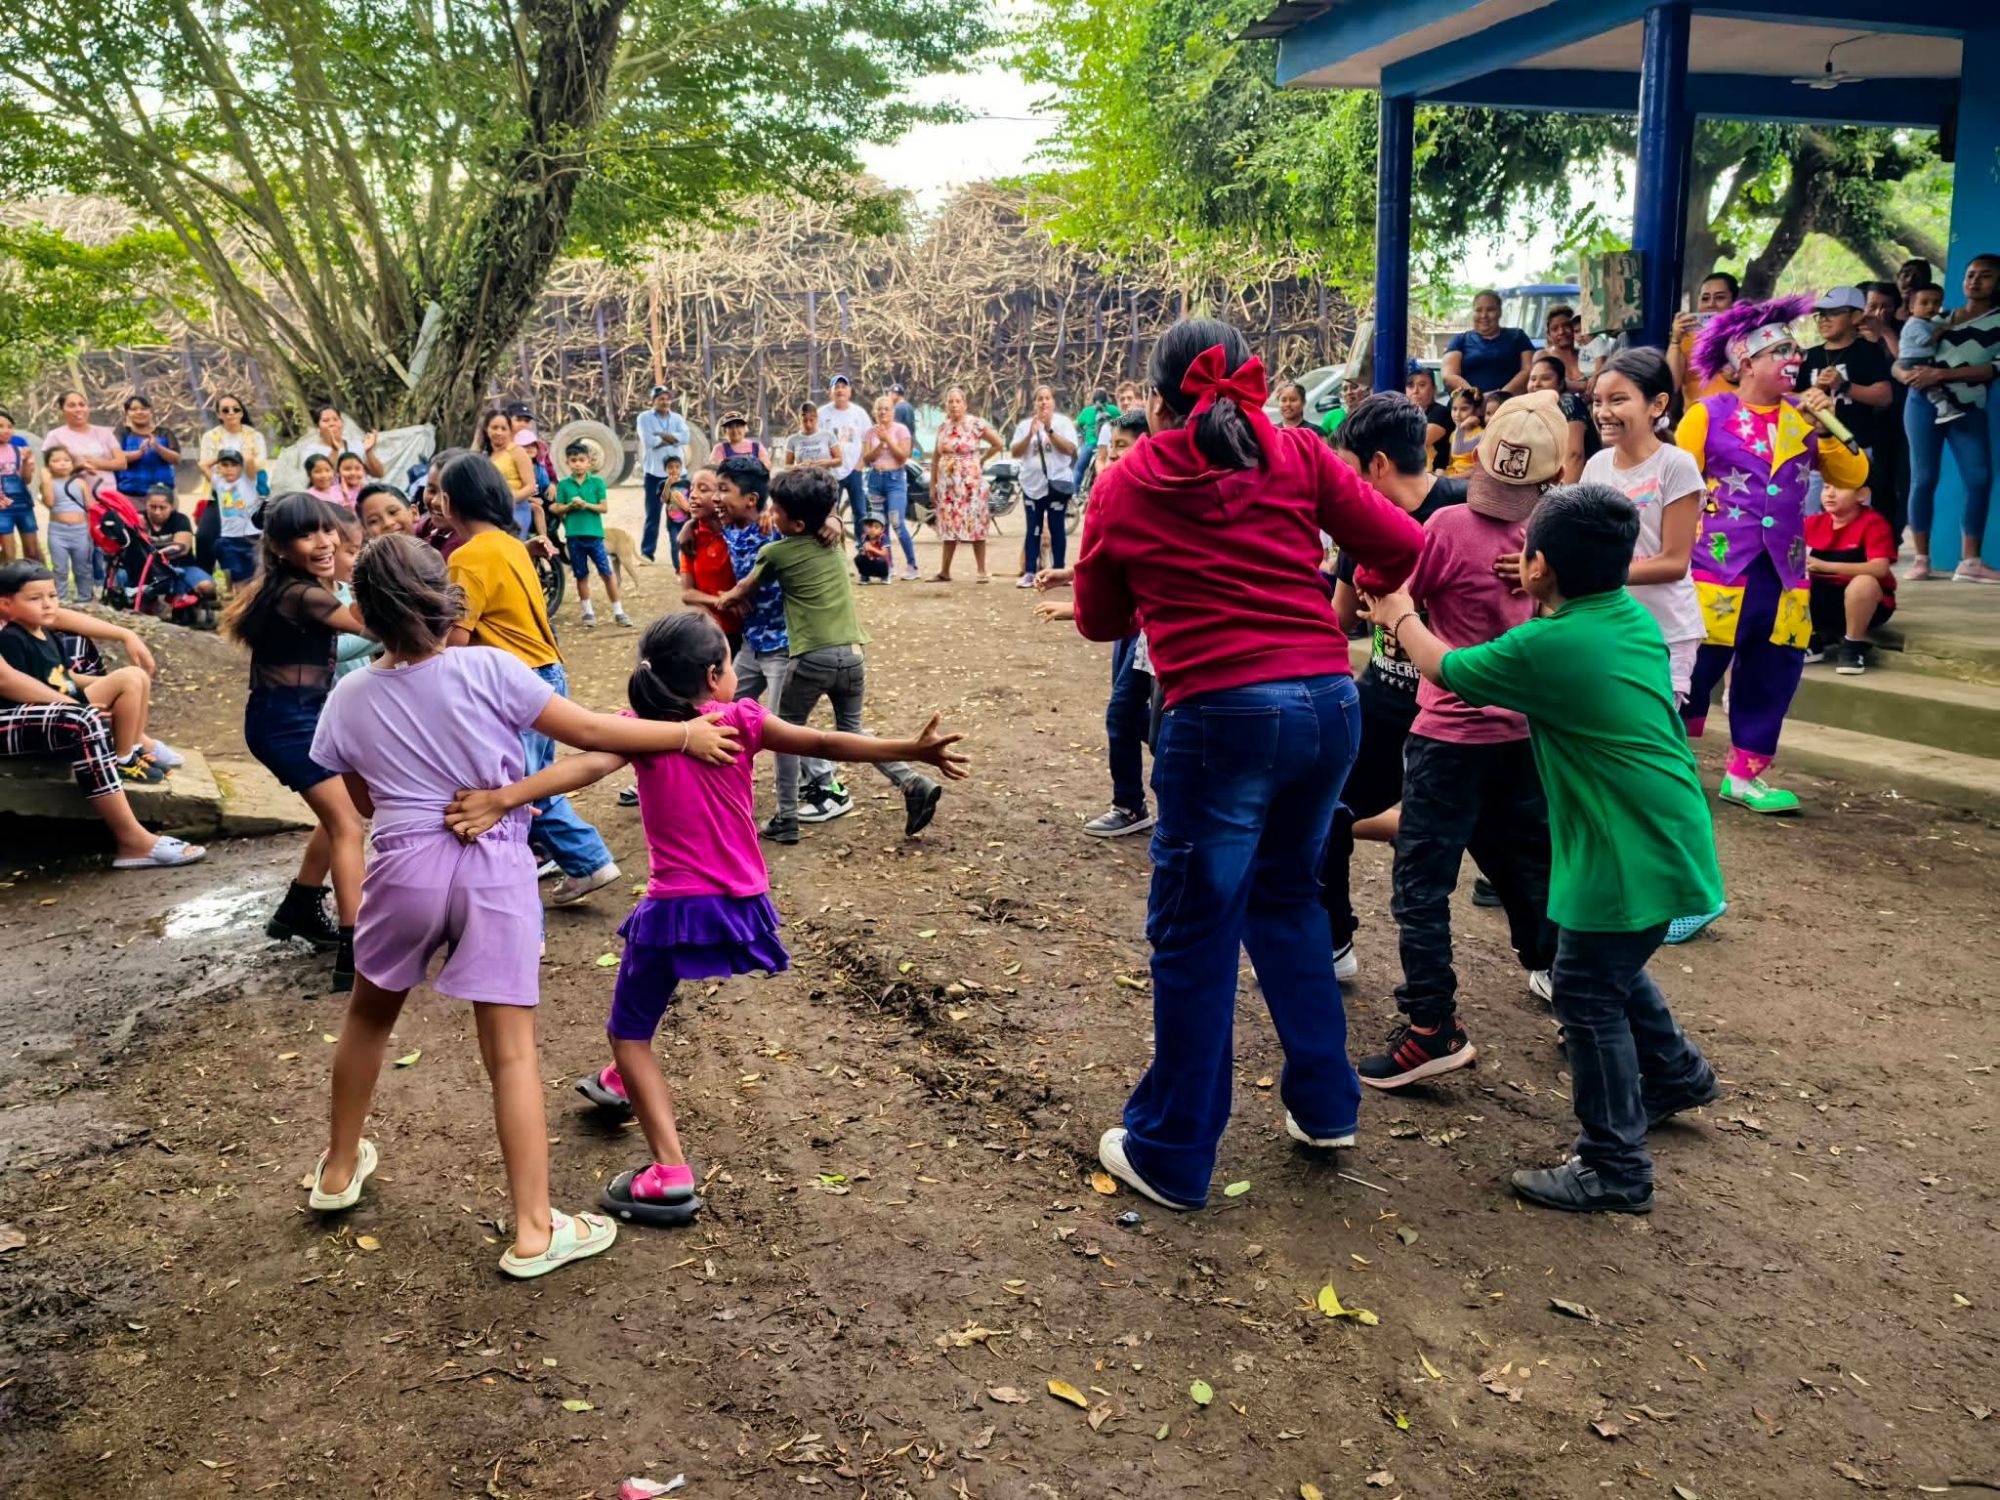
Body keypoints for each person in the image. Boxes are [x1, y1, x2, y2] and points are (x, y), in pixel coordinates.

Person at [439, 611, 964, 1229]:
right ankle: (618, 1080)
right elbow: (822, 742)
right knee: (641, 1010)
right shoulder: (738, 720)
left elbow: (582, 766)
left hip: (677, 909)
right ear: (716, 675)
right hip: (740, 903)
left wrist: (503, 797)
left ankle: (669, 1173)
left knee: (629, 1033)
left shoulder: (642, 731)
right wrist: (909, 750)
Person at [301, 535, 739, 1274]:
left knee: (369, 1018)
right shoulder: (489, 669)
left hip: (402, 865)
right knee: (510, 1054)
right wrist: (686, 734)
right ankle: (535, 1229)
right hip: (494, 865)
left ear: (366, 614)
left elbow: (360, 793)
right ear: (445, 601)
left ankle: (339, 1170)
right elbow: (592, 734)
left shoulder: (348, 696)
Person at [1070, 317, 1425, 1211]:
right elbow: (1404, 545)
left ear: (1156, 397)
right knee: (1286, 896)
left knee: (1193, 934)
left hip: (1220, 717)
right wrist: (1345, 595)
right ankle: (1325, 1104)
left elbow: (1100, 621)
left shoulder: (1127, 481)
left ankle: (1174, 1150)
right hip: (1326, 704)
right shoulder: (1298, 450)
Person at [1360, 483, 1724, 1214]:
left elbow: (1447, 670)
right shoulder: (1623, 618)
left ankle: (1613, 1166)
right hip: (1664, 836)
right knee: (1602, 967)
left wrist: (1396, 611)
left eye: (1525, 549)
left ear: (1538, 566)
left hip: (1624, 853)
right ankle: (1677, 1074)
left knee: (1586, 990)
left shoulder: (1551, 644)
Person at [1356, 391, 1564, 1091]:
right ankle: (1577, 998)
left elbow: (1386, 596)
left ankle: (1431, 1027)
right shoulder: (1553, 537)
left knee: (1421, 885)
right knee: (1530, 877)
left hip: (1449, 735)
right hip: (1521, 736)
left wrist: (1394, 611)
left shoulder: (1447, 524)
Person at [1680, 294, 1871, 814]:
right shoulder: (1706, 414)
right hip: (1716, 566)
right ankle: (1668, 760)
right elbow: (1677, 484)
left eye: (1795, 350)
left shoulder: (1802, 418)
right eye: (1781, 349)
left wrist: (1826, 428)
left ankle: (1745, 775)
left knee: (1774, 669)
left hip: (1784, 573)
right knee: (1692, 665)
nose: (1794, 359)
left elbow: (1853, 477)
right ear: (1746, 361)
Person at [714, 466, 947, 845]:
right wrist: (835, 518)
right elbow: (827, 519)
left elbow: (744, 589)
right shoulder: (833, 543)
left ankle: (786, 817)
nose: (772, 515)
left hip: (810, 659)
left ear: (798, 520)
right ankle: (911, 781)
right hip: (853, 657)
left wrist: (723, 599)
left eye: (778, 510)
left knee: (786, 735)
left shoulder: (776, 550)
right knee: (851, 731)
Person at [1321, 394, 1469, 979]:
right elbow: (1340, 619)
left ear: (1377, 463)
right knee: (1326, 811)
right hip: (1382, 693)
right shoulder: (1360, 520)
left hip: (1459, 707)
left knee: (1505, 844)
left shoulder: (1463, 511)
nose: (1342, 482)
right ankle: (1333, 939)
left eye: (1348, 468)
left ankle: (1549, 959)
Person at [434, 452, 623, 906]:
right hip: (547, 670)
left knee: (519, 788)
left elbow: (456, 639)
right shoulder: (508, 543)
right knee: (531, 778)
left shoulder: (466, 559)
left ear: (448, 501)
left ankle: (585, 863)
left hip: (512, 683)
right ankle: (584, 862)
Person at [222, 493, 369, 988]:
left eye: (327, 530)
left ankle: (300, 906)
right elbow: (371, 627)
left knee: (342, 811)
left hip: (297, 717)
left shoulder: (290, 585)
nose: (325, 542)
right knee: (349, 824)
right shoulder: (304, 594)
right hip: (287, 725)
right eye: (308, 535)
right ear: (282, 548)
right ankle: (358, 953)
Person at [0, 561, 204, 868]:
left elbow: (55, 620)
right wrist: (72, 706)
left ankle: (133, 746)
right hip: (13, 709)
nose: (47, 605)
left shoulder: (38, 625)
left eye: (51, 596)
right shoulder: (13, 637)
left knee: (121, 672)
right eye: (36, 599)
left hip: (39, 698)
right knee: (82, 720)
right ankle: (133, 840)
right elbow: (7, 681)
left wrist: (125, 635)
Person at [1031, 408, 1154, 837]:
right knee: (1138, 713)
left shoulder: (1150, 492)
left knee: (1125, 713)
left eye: (1123, 445)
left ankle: (1131, 805)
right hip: (1134, 629)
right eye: (1111, 447)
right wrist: (1071, 575)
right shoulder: (1128, 488)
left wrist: (1076, 611)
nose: (1114, 455)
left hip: (1149, 628)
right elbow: (1110, 561)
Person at [712, 454, 847, 824]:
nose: (716, 498)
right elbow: (695, 505)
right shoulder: (730, 525)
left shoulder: (775, 527)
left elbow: (816, 500)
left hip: (784, 645)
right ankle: (718, 778)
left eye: (724, 490)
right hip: (753, 644)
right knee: (724, 708)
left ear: (752, 500)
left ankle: (828, 785)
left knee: (784, 726)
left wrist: (834, 518)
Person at [1581, 349, 1705, 702]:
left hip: (1664, 631)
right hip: (1608, 625)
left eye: (1618, 400)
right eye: (1598, 401)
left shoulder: (1676, 465)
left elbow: (1674, 561)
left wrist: (1598, 574)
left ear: (1657, 404)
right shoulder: (1596, 465)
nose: (1603, 412)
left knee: (1651, 741)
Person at [1898, 256, 1999, 584]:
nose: (1974, 281)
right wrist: (1905, 375)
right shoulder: (1936, 316)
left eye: (1985, 276)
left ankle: (1970, 562)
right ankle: (1921, 560)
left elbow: (1993, 368)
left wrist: (1941, 373)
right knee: (1923, 478)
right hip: (1922, 403)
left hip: (1967, 407)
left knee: (1979, 479)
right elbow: (1900, 361)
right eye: (1970, 275)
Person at [1796, 286, 1894, 511]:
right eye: (1820, 314)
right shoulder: (1809, 356)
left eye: (1833, 313)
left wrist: (1845, 386)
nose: (1824, 319)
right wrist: (1816, 389)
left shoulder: (1869, 352)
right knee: (1811, 515)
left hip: (1856, 447)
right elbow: (1791, 397)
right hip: (1815, 450)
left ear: (1856, 316)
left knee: (1853, 516)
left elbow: (1885, 396)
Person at [1805, 483, 1897, 673]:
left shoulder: (1874, 523)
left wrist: (1826, 566)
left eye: (1839, 488)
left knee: (1865, 582)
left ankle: (1853, 646)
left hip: (1865, 604)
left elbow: (1880, 568)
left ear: (1862, 494)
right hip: (1820, 602)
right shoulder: (1811, 523)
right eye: (1826, 487)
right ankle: (1810, 639)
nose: (1830, 494)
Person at [927, 387, 1003, 582]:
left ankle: (981, 570)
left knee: (976, 523)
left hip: (971, 485)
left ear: (965, 404)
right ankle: (945, 571)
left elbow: (998, 443)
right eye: (950, 402)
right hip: (948, 485)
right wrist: (933, 484)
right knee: (948, 525)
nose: (954, 405)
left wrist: (982, 459)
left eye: (957, 401)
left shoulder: (975, 424)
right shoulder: (943, 427)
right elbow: (936, 456)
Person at [552, 441, 629, 628]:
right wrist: (570, 506)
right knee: (581, 575)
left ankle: (619, 611)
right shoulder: (563, 485)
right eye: (573, 460)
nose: (578, 463)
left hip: (595, 536)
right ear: (567, 463)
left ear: (589, 462)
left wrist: (585, 504)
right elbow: (557, 508)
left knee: (606, 573)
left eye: (581, 460)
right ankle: (588, 612)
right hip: (574, 537)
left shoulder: (597, 483)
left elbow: (604, 508)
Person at [1011, 384, 1079, 587]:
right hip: (1032, 485)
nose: (1043, 402)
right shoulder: (1025, 425)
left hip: (1057, 483)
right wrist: (1029, 435)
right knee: (1033, 528)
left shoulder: (1063, 423)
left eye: (1047, 398)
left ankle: (1059, 571)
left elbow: (1069, 449)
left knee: (1057, 527)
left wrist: (1049, 430)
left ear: (1053, 402)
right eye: (1039, 398)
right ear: (1034, 403)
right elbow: (1015, 452)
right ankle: (1030, 571)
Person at [677, 466, 742, 650]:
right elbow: (687, 593)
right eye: (692, 488)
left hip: (751, 631)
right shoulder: (690, 540)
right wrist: (721, 602)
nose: (693, 495)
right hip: (715, 634)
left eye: (703, 489)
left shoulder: (740, 530)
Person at [861, 393, 918, 580]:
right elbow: (867, 459)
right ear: (874, 413)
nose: (883, 412)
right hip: (875, 480)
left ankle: (912, 565)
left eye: (886, 408)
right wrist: (880, 444)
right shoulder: (870, 432)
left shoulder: (901, 430)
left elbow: (903, 456)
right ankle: (888, 565)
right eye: (879, 409)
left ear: (893, 412)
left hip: (895, 480)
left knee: (897, 522)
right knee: (879, 526)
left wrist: (887, 440)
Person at [1667, 272, 1740, 408]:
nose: (1711, 304)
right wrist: (1675, 341)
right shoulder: (1687, 337)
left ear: (1734, 302)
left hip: (1740, 421)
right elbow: (1671, 385)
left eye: (1720, 298)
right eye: (1705, 299)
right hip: (1698, 421)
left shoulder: (1745, 335)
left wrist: (1741, 375)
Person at [1442, 291, 1534, 397]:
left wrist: (1498, 397)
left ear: (1499, 312)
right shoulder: (1460, 340)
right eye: (1478, 310)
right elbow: (1449, 376)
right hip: (1468, 407)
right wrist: (1475, 396)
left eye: (1490, 310)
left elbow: (1528, 370)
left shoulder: (1518, 336)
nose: (1484, 315)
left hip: (1509, 405)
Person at [637, 385, 691, 564]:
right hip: (655, 474)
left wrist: (661, 436)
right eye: (661, 398)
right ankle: (647, 553)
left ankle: (684, 553)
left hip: (678, 475)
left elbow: (685, 438)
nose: (665, 401)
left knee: (681, 514)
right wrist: (671, 439)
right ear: (653, 401)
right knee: (653, 514)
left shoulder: (677, 417)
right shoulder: (644, 418)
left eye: (667, 398)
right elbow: (648, 441)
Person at [37, 446, 97, 603]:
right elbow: (50, 502)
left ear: (72, 463)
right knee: (60, 569)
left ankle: (85, 598)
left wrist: (92, 530)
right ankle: (60, 599)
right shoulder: (48, 483)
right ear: (48, 465)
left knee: (83, 568)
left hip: (80, 531)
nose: (62, 463)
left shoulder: (80, 482)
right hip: (58, 532)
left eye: (66, 460)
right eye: (56, 460)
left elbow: (91, 506)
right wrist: (45, 480)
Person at [817, 376, 871, 544]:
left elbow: (867, 439)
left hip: (854, 471)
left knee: (860, 512)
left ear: (850, 391)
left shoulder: (859, 413)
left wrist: (861, 463)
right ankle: (835, 551)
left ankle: (863, 551)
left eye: (843, 386)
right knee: (831, 513)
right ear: (830, 392)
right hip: (831, 473)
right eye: (836, 387)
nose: (840, 390)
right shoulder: (822, 414)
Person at [42, 391, 125, 500]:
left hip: (109, 496)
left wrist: (97, 464)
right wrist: (79, 467)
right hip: (74, 498)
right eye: (72, 405)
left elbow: (122, 463)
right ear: (62, 411)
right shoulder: (55, 436)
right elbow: (50, 470)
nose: (78, 409)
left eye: (82, 405)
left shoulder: (104, 433)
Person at [138, 486, 215, 603]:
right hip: (148, 569)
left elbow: (182, 547)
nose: (157, 512)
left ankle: (196, 604)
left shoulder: (180, 519)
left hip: (182, 566)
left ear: (171, 507)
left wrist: (154, 553)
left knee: (207, 587)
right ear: (146, 504)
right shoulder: (138, 519)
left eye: (162, 508)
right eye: (152, 507)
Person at [478, 408, 542, 541]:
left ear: (510, 431)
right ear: (486, 429)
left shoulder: (517, 452)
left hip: (515, 512)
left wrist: (508, 498)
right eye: (494, 427)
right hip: (490, 512)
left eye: (503, 428)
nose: (499, 432)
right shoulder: (485, 456)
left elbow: (530, 486)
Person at [1528, 353, 1588, 482]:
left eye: (1545, 378)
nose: (1537, 384)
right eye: (1533, 379)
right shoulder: (1534, 411)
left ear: (1561, 384)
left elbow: (1574, 456)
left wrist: (1564, 500)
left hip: (1581, 488)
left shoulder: (1567, 403)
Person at [209, 449, 261, 587]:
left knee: (255, 578)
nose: (229, 469)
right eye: (225, 465)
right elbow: (202, 464)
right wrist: (219, 457)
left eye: (234, 465)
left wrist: (241, 452)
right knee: (236, 578)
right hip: (229, 537)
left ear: (241, 467)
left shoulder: (248, 480)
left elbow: (249, 461)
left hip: (251, 536)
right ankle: (239, 605)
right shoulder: (218, 482)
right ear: (219, 467)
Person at [114, 397, 180, 504]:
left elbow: (176, 459)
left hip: (163, 496)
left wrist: (158, 448)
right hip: (130, 495)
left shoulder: (164, 433)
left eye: (144, 408)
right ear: (127, 413)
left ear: (151, 411)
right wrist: (139, 453)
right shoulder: (122, 433)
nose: (139, 412)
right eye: (133, 409)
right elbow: (116, 457)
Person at [296, 405, 384, 478]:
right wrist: (335, 450)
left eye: (335, 419)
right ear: (318, 428)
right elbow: (324, 477)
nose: (332, 423)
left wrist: (368, 452)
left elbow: (379, 474)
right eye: (326, 421)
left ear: (341, 423)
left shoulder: (356, 445)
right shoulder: (311, 451)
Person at [0, 409, 38, 564]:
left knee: (32, 551)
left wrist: (27, 462)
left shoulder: (18, 450)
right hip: (3, 508)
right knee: (9, 553)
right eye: (1, 426)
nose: (6, 430)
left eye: (9, 426)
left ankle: (33, 584)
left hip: (22, 503)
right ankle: (10, 585)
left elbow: (26, 480)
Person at [1406, 367, 1450, 472]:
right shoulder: (1407, 414)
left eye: (1422, 385)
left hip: (1437, 476)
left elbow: (1418, 441)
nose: (1415, 391)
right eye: (1411, 386)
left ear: (1434, 389)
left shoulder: (1440, 412)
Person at [1542, 306, 1588, 391]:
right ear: (1549, 334)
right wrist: (1584, 386)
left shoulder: (1588, 352)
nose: (1561, 332)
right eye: (1555, 329)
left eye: (1566, 326)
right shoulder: (1544, 356)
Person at [1445, 387, 1482, 477]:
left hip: (1471, 479)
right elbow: (1451, 462)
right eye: (1454, 409)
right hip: (1453, 476)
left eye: (1464, 409)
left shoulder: (1481, 434)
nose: (1457, 414)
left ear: (1476, 411)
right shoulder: (1454, 434)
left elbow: (1480, 469)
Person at [855, 515, 892, 583]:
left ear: (882, 529)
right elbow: (862, 552)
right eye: (869, 526)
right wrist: (863, 551)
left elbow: (884, 553)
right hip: (871, 562)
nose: (872, 529)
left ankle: (885, 576)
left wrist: (871, 548)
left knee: (881, 560)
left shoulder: (884, 538)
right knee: (858, 558)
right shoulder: (864, 537)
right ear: (864, 528)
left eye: (876, 527)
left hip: (881, 565)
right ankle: (865, 575)